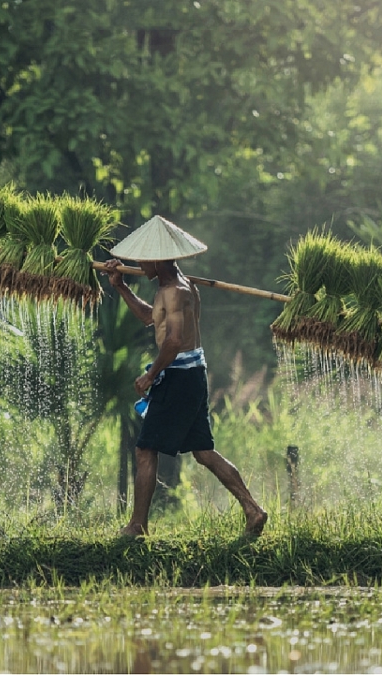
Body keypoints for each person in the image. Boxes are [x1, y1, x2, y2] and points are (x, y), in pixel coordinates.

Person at [102, 215, 268, 538]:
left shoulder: (176, 291)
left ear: (158, 259)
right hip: (193, 374)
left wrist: (151, 375)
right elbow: (152, 319)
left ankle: (137, 526)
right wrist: (120, 286)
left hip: (178, 378)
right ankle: (253, 509)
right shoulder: (179, 287)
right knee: (203, 452)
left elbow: (174, 341)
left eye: (143, 258)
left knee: (145, 449)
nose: (138, 263)